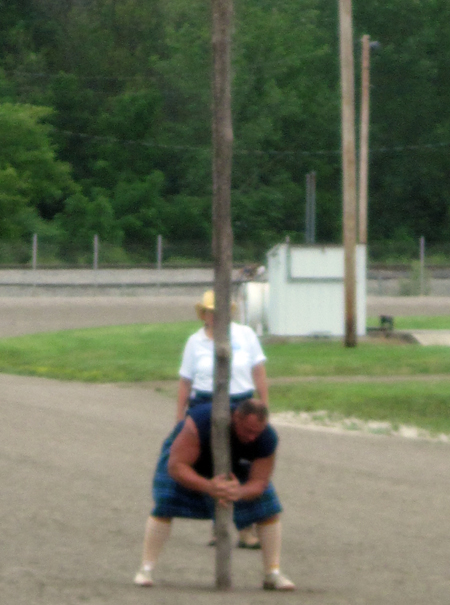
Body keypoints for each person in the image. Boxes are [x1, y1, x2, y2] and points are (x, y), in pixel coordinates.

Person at [134, 399, 295, 591]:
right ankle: (146, 569)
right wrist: (208, 486)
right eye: (247, 430)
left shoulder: (266, 438)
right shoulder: (201, 422)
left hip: (235, 467)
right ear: (236, 418)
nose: (252, 437)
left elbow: (259, 482)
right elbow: (176, 467)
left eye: (256, 432)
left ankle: (272, 573)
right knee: (164, 505)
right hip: (188, 462)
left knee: (268, 510)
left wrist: (239, 491)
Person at [176, 289, 269, 548]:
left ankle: (247, 528)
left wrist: (263, 405)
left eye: (221, 311)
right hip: (205, 404)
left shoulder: (245, 335)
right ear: (204, 315)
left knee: (244, 467)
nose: (216, 316)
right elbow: (185, 381)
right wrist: (180, 418)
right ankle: (219, 527)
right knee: (212, 467)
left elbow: (258, 371)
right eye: (211, 312)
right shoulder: (195, 342)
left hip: (241, 403)